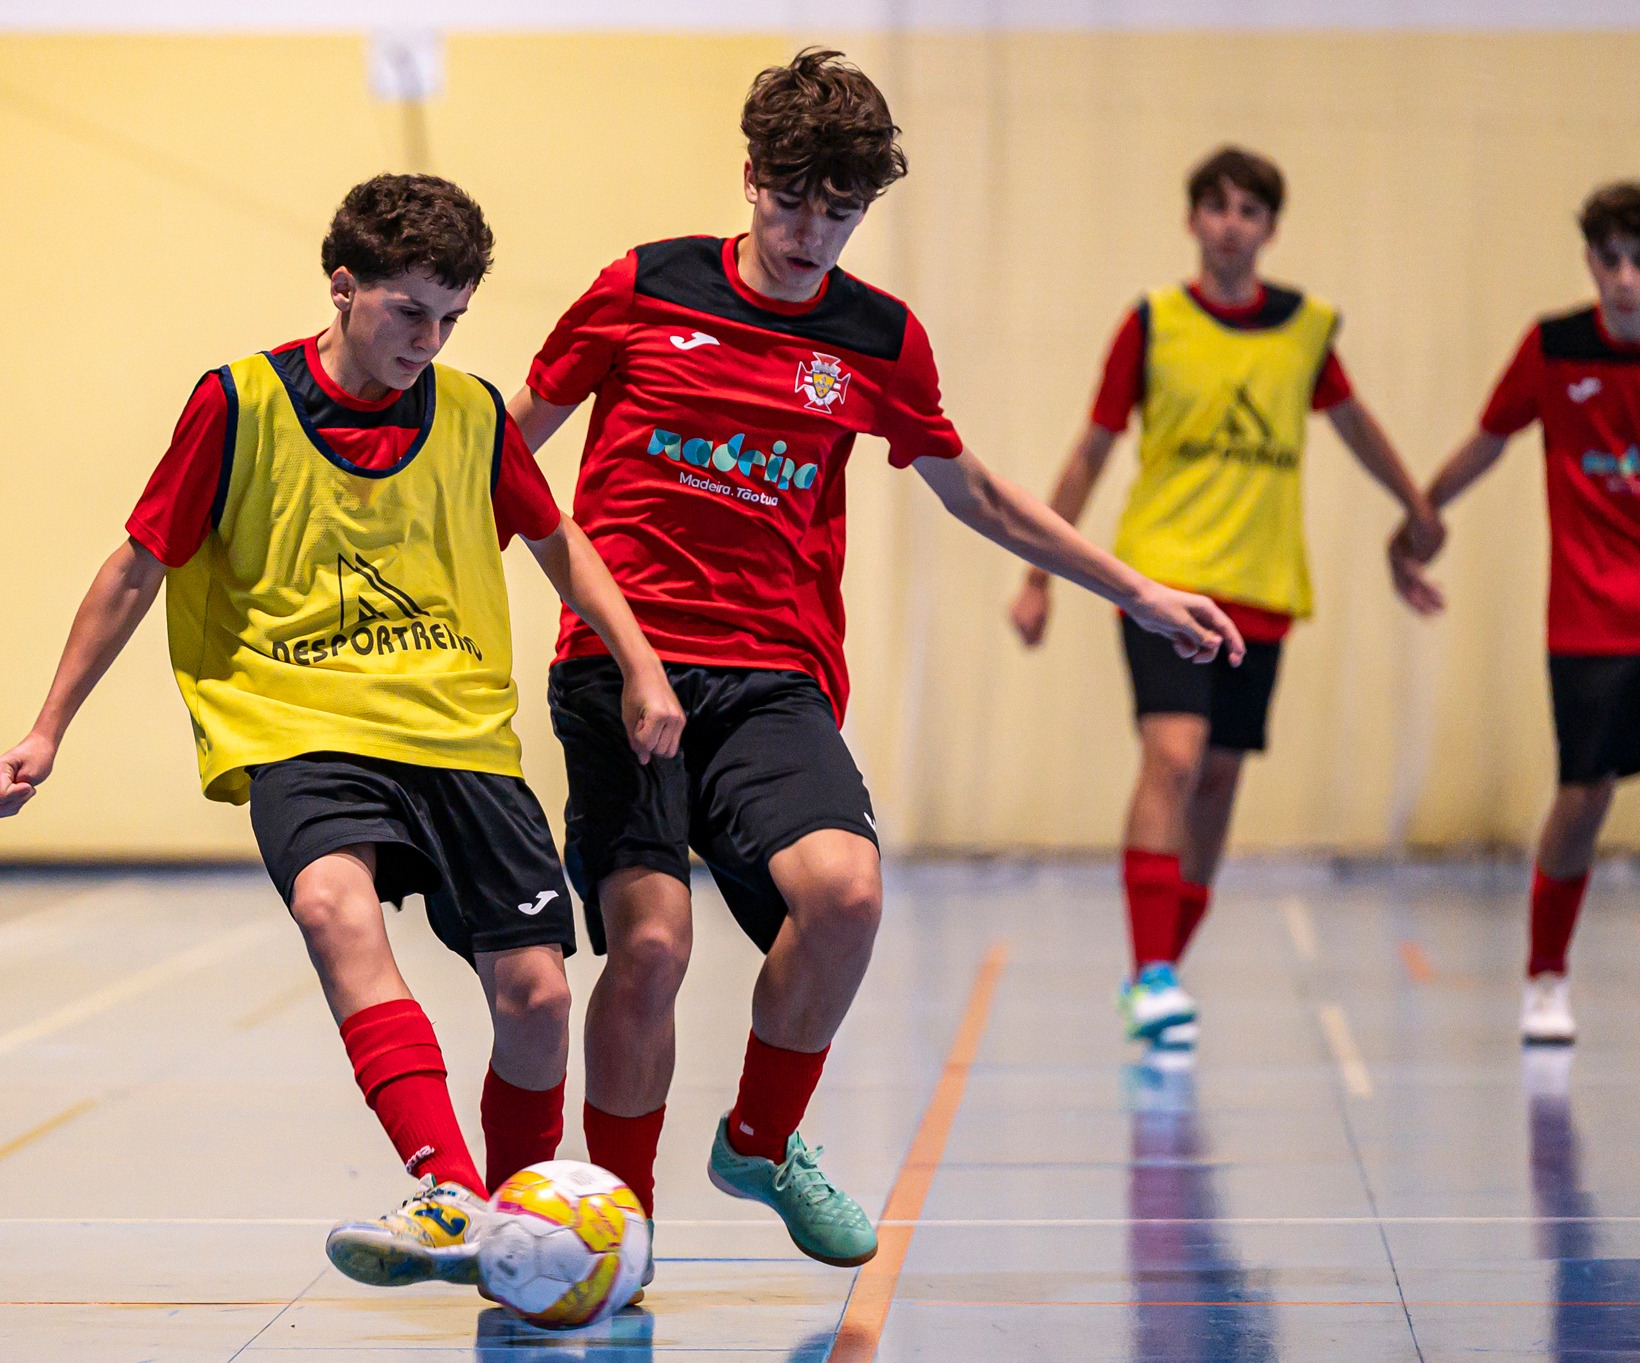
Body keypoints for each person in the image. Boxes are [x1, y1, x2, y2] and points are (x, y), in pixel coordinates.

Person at [510, 48, 1242, 1272]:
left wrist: (1137, 589)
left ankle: (759, 1138)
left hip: (771, 674)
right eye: (791, 199)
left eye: (839, 211)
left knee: (844, 894)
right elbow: (501, 460)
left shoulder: (875, 338)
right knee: (647, 948)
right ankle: (615, 1236)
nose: (811, 232)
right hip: (620, 661)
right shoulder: (641, 286)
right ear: (748, 177)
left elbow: (984, 497)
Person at [0, 174, 684, 1289]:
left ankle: (512, 1231)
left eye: (451, 318)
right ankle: (449, 1189)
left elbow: (559, 544)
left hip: (455, 730)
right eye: (410, 310)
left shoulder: (470, 415)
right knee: (330, 904)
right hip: (297, 719)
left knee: (539, 998)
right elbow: (136, 567)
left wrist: (641, 666)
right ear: (342, 284)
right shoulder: (240, 402)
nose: (430, 338)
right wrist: (46, 727)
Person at [1010, 145, 1444, 1050]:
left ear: (1270, 228)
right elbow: (1090, 451)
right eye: (1216, 207)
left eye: (1250, 210)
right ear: (1192, 220)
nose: (1231, 224)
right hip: (1165, 579)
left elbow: (1358, 426)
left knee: (1216, 780)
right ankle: (1158, 971)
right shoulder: (1152, 324)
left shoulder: (1307, 329)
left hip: (1262, 585)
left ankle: (1152, 970)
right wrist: (1039, 573)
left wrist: (1416, 507)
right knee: (1171, 757)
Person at [1395, 181, 1640, 1047]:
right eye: (1612, 261)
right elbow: (1489, 441)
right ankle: (1545, 975)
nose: (1627, 279)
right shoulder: (1555, 347)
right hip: (1591, 622)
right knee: (1583, 798)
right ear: (1591, 264)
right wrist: (1419, 516)